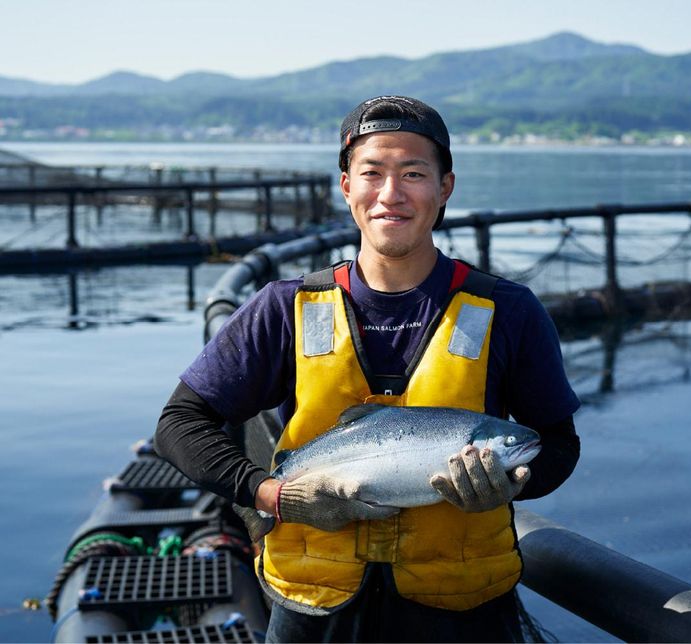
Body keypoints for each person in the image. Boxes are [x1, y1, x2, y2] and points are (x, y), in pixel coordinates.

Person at [154, 95, 580, 643]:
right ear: (345, 186)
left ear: (445, 187)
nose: (391, 194)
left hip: (466, 616)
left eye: (413, 174)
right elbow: (179, 425)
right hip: (313, 612)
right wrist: (271, 495)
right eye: (372, 173)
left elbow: (558, 445)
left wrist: (511, 487)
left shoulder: (511, 312)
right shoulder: (284, 307)